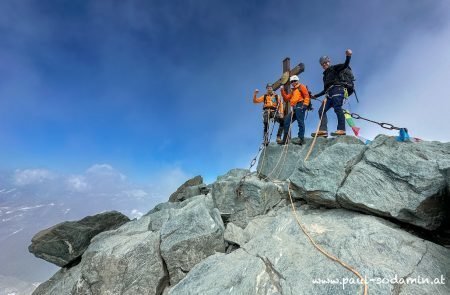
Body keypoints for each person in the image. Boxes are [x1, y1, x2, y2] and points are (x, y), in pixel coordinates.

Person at [311, 49, 353, 137]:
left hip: (338, 89)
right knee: (321, 110)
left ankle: (341, 129)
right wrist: (316, 95)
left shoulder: (334, 68)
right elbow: (325, 89)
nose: (324, 64)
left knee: (337, 108)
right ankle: (323, 130)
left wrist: (348, 56)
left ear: (329, 62)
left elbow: (345, 65)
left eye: (326, 62)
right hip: (329, 94)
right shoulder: (325, 76)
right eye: (323, 64)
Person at [279, 75, 310, 145]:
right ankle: (285, 139)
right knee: (286, 121)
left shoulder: (301, 86)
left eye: (294, 81)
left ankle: (301, 139)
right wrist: (282, 90)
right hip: (294, 108)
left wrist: (305, 105)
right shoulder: (293, 90)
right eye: (292, 81)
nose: (293, 82)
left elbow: (306, 96)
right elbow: (286, 98)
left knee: (300, 122)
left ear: (297, 81)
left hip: (300, 105)